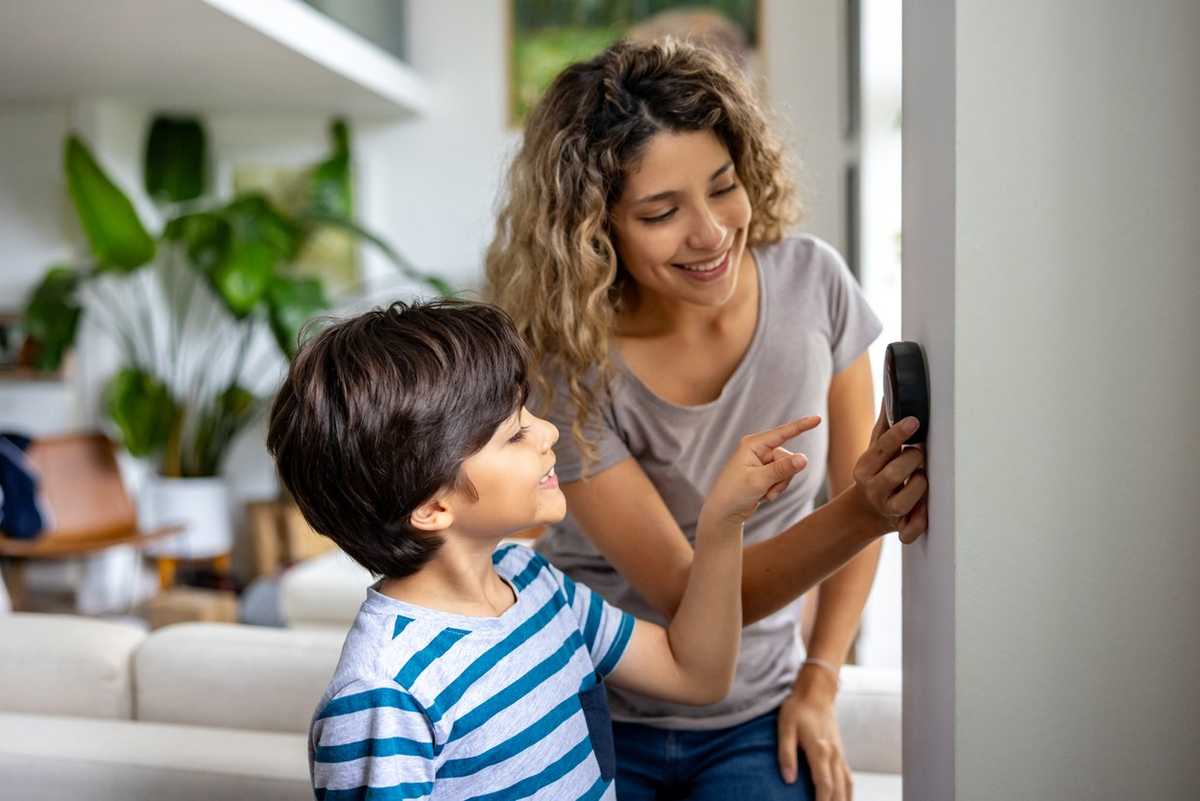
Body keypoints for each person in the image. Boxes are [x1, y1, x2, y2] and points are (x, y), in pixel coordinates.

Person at [486, 39, 928, 801]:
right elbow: (693, 599)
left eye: (723, 187)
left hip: (756, 710)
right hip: (587, 700)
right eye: (661, 212)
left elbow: (859, 487)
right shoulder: (568, 357)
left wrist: (821, 678)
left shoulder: (813, 284)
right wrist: (863, 511)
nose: (712, 232)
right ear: (597, 230)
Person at [266, 299, 817, 801]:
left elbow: (696, 674)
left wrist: (723, 523)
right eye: (514, 434)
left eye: (527, 413)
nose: (549, 432)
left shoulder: (533, 580)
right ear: (433, 507)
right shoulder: (383, 691)